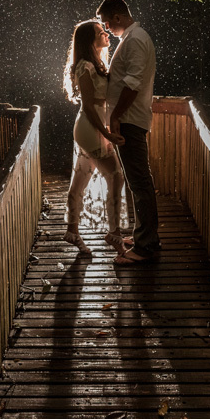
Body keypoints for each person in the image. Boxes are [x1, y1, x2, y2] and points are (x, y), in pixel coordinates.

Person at [98, 0, 159, 264]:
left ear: (119, 17)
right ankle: (144, 236)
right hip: (130, 119)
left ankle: (146, 247)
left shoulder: (135, 40)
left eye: (107, 22)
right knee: (138, 182)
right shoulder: (132, 39)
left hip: (130, 120)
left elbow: (133, 85)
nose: (107, 27)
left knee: (139, 182)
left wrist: (117, 117)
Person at [62, 19, 127, 256]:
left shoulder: (98, 63)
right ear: (91, 40)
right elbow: (89, 106)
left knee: (80, 180)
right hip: (90, 127)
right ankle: (114, 233)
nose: (107, 34)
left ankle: (72, 231)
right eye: (101, 33)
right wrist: (106, 132)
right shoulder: (85, 66)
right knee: (116, 176)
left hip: (95, 127)